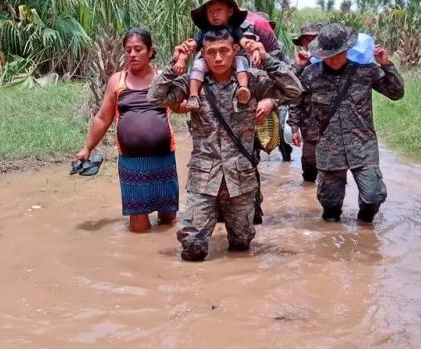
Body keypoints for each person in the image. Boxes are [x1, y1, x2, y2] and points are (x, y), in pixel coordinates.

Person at [149, 29, 302, 261]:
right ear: (203, 54)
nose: (218, 58)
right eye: (211, 52)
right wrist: (176, 62)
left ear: (235, 51)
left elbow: (295, 90)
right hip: (204, 178)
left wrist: (267, 58)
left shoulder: (251, 80)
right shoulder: (194, 83)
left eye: (224, 51)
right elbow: (154, 98)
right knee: (192, 247)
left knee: (241, 245)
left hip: (240, 178)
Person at [288, 23, 404, 224]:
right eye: (328, 54)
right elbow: (286, 93)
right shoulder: (311, 74)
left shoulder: (366, 71)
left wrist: (386, 64)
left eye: (338, 53)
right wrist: (297, 68)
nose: (333, 59)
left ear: (347, 49)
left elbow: (396, 93)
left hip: (363, 145)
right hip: (329, 149)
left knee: (373, 196)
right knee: (330, 209)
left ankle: (365, 228)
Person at [76, 28, 183, 233]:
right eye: (128, 50)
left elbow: (179, 105)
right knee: (138, 228)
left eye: (138, 49)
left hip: (163, 157)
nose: (133, 54)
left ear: (150, 51)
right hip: (132, 162)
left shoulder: (162, 78)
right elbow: (102, 118)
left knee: (169, 220)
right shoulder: (117, 81)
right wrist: (87, 148)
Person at [173, 0, 263, 110]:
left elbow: (246, 43)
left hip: (232, 62)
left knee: (242, 59)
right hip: (208, 63)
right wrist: (181, 60)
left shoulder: (234, 29)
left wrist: (256, 51)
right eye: (210, 11)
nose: (214, 14)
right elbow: (190, 47)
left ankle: (243, 88)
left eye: (218, 10)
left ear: (230, 11)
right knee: (198, 64)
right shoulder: (204, 32)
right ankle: (193, 95)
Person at [290, 22, 324, 182]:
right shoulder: (300, 67)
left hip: (332, 128)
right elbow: (294, 97)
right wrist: (294, 128)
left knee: (333, 173)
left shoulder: (334, 63)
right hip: (309, 126)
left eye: (313, 38)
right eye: (306, 40)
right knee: (309, 165)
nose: (309, 43)